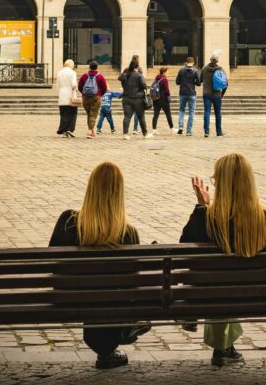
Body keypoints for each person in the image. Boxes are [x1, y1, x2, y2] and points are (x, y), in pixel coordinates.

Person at [48, 162, 151, 369]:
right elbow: (134, 282)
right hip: (112, 303)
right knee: (116, 296)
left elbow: (52, 265)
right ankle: (109, 346)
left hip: (69, 300)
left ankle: (106, 349)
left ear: (90, 187)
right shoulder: (128, 233)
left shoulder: (68, 221)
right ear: (119, 193)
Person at [179, 153, 266, 366]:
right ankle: (224, 348)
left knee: (216, 284)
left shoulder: (209, 217)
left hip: (211, 293)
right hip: (257, 293)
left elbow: (184, 246)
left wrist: (201, 207)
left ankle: (221, 346)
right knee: (224, 284)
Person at [121, 60, 153, 140]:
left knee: (127, 116)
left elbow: (121, 80)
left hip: (126, 98)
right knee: (141, 117)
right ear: (137, 66)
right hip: (138, 99)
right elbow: (143, 85)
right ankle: (145, 134)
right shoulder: (139, 75)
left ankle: (125, 134)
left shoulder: (125, 74)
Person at [78, 61, 108, 138]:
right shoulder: (100, 76)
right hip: (96, 97)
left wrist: (84, 93)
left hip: (85, 98)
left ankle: (91, 131)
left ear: (89, 67)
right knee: (93, 114)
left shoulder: (84, 76)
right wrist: (100, 94)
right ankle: (89, 131)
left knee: (89, 114)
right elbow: (104, 88)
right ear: (97, 67)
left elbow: (80, 86)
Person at [201, 54, 227, 138]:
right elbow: (225, 83)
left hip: (207, 93)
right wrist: (222, 94)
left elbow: (200, 80)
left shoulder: (204, 69)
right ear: (217, 61)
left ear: (210, 59)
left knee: (207, 112)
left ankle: (206, 131)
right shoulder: (221, 69)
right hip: (217, 94)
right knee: (218, 113)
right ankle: (219, 132)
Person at [175, 56, 200, 136]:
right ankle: (189, 131)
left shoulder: (181, 70)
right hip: (192, 93)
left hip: (182, 93)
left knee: (182, 110)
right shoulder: (195, 71)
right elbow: (199, 83)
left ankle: (180, 127)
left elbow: (177, 82)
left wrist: (183, 82)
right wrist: (193, 83)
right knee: (191, 112)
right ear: (193, 62)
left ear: (186, 62)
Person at [56, 58, 79, 138]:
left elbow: (57, 85)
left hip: (62, 94)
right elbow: (74, 84)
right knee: (73, 113)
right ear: (71, 65)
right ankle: (70, 129)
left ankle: (63, 129)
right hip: (70, 94)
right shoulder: (72, 72)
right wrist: (76, 90)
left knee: (63, 113)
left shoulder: (59, 73)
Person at [151, 66, 175, 134]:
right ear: (164, 72)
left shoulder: (156, 78)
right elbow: (167, 90)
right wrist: (168, 95)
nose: (168, 73)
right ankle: (172, 128)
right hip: (164, 100)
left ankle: (154, 129)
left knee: (156, 115)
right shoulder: (164, 80)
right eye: (167, 72)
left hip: (156, 99)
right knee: (168, 114)